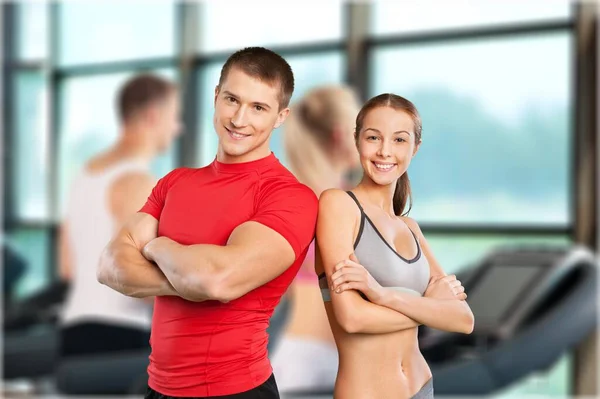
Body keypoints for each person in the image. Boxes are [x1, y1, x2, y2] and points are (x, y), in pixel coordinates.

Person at [97, 47, 318, 399]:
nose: (239, 118)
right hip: (158, 388)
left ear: (280, 116)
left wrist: (158, 246)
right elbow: (109, 266)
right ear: (216, 97)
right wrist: (187, 281)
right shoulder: (175, 183)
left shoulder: (290, 197)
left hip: (236, 390)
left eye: (258, 108)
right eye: (232, 99)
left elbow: (217, 280)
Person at [316, 93, 475, 399]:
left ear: (415, 147)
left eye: (399, 140)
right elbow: (353, 318)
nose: (385, 151)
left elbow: (464, 320)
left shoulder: (410, 227)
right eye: (373, 137)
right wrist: (432, 310)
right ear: (357, 140)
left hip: (423, 388)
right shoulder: (338, 206)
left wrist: (382, 295)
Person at [59, 73, 182, 357]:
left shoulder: (85, 175)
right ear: (153, 116)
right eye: (174, 117)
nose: (177, 128)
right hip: (121, 334)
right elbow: (136, 275)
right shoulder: (139, 182)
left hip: (73, 331)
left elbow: (67, 266)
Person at [270, 85, 360, 392]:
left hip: (295, 357)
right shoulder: (342, 206)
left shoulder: (293, 201)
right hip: (318, 365)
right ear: (340, 136)